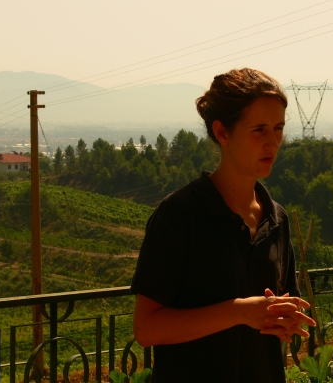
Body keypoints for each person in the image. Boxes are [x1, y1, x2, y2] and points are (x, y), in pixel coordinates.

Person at [131, 68, 315, 383]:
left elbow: (277, 318)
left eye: (278, 129)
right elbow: (146, 329)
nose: (273, 143)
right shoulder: (180, 215)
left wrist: (285, 320)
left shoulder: (277, 220)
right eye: (259, 130)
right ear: (222, 132)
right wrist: (240, 311)